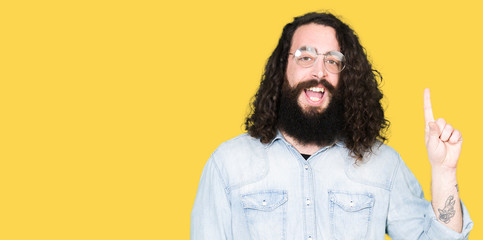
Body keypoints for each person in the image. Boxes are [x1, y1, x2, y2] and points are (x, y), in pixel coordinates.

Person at [191, 12, 473, 240]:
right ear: (282, 69)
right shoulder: (227, 164)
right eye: (305, 57)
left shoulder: (384, 165)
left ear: (347, 77)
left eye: (333, 61)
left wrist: (444, 172)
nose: (319, 72)